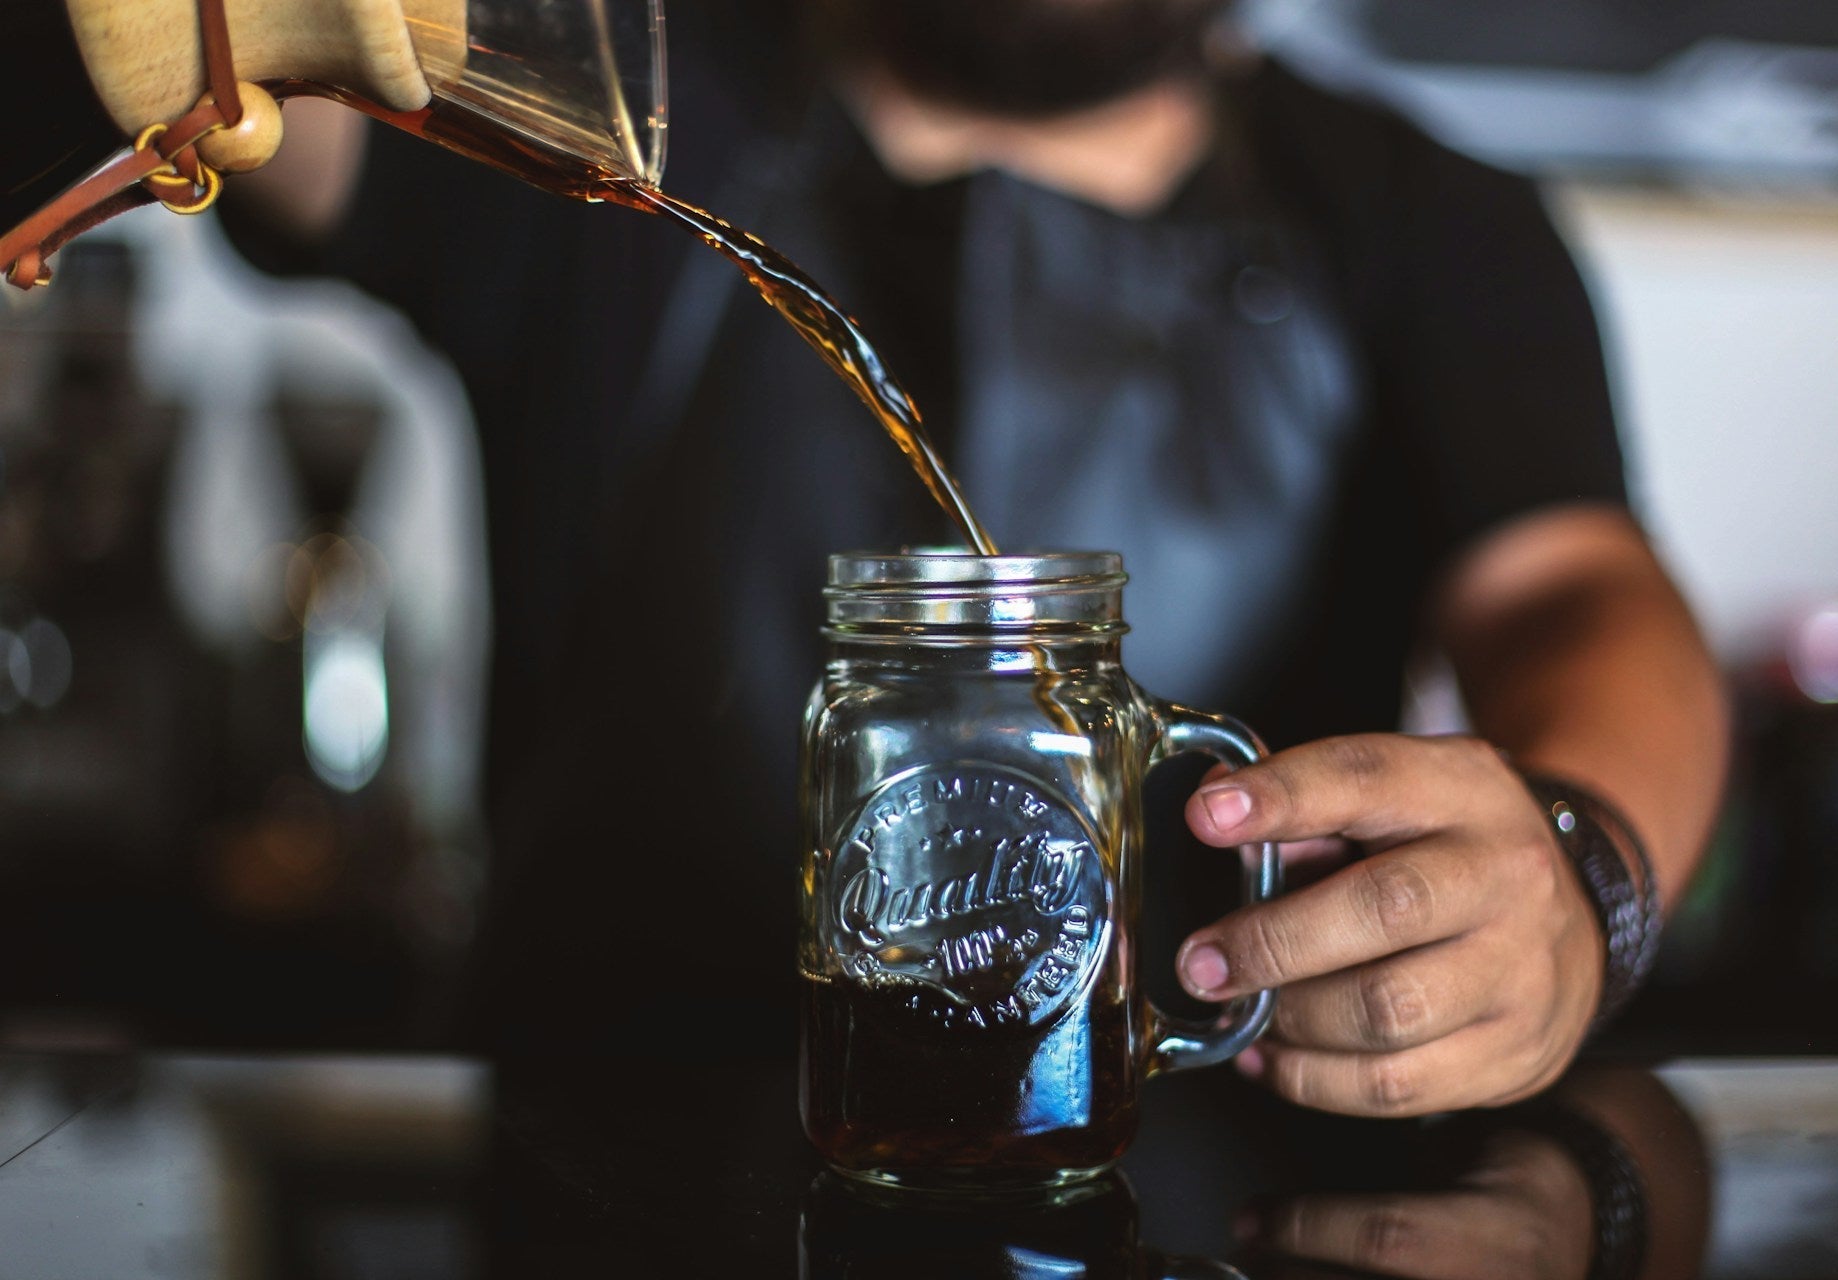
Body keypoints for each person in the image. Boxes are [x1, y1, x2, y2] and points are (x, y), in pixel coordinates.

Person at [215, 0, 1727, 1112]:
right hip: (597, 1169)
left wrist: (1583, 874)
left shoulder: (1422, 218)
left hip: (1224, 1175)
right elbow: (281, 89)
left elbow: (1578, 593)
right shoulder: (601, 115)